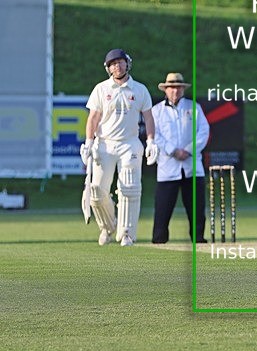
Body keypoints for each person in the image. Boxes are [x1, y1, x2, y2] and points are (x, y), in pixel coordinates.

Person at [81, 49, 157, 247]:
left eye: (120, 62)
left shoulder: (139, 89)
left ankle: (127, 234)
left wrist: (150, 141)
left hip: (129, 143)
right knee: (97, 191)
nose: (118, 66)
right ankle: (107, 226)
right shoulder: (101, 89)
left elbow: (148, 117)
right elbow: (93, 118)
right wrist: (89, 141)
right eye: (113, 64)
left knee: (130, 189)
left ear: (127, 63)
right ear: (108, 68)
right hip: (104, 143)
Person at [151, 72, 210, 244]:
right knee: (162, 208)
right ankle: (159, 240)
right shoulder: (157, 111)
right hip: (167, 167)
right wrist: (173, 151)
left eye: (178, 88)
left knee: (196, 208)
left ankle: (198, 239)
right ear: (165, 90)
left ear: (183, 89)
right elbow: (154, 135)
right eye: (171, 88)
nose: (175, 91)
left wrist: (188, 150)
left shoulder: (194, 108)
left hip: (192, 166)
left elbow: (204, 132)